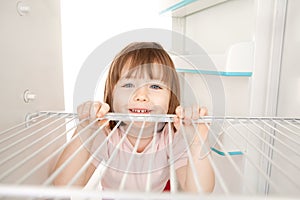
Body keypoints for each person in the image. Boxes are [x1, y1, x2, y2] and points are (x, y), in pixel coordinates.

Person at [53, 42, 215, 193]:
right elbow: (64, 184)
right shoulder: (106, 134)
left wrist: (197, 141)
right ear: (111, 96)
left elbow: (199, 192)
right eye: (129, 85)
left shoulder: (171, 136)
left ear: (171, 99)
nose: (141, 96)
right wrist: (84, 129)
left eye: (155, 86)